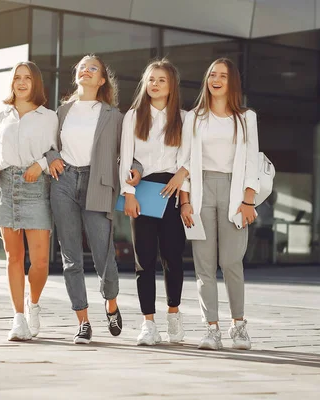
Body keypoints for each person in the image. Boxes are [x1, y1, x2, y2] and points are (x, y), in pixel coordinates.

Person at [46, 54, 141, 344]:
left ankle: (110, 303)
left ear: (101, 80)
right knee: (71, 257)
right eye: (82, 67)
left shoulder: (114, 116)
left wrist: (136, 169)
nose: (85, 71)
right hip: (63, 182)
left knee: (104, 256)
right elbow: (49, 144)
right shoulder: (62, 112)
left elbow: (132, 152)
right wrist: (51, 156)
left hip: (98, 183)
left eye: (93, 68)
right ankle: (83, 322)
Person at [178, 58, 259, 351]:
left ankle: (239, 327)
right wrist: (184, 201)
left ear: (232, 82)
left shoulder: (246, 117)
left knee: (231, 262)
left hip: (234, 192)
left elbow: (252, 160)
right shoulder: (194, 117)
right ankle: (211, 329)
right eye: (212, 74)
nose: (216, 79)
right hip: (200, 192)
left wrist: (248, 199)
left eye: (223, 75)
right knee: (204, 266)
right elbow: (184, 160)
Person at [0, 61, 58, 341]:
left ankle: (33, 304)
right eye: (17, 78)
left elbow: (56, 152)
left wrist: (40, 165)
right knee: (14, 257)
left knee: (39, 261)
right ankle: (17, 319)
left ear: (36, 83)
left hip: (36, 186)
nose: (22, 82)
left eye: (27, 78)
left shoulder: (48, 116)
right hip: (6, 186)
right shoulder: (2, 116)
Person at [120, 59, 188, 346]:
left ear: (171, 84)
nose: (155, 84)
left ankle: (173, 315)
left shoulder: (185, 118)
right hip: (144, 192)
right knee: (143, 260)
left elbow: (189, 158)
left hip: (173, 192)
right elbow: (125, 156)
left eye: (161, 79)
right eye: (151, 79)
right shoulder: (133, 117)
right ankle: (148, 323)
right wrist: (129, 194)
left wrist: (181, 182)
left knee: (173, 258)